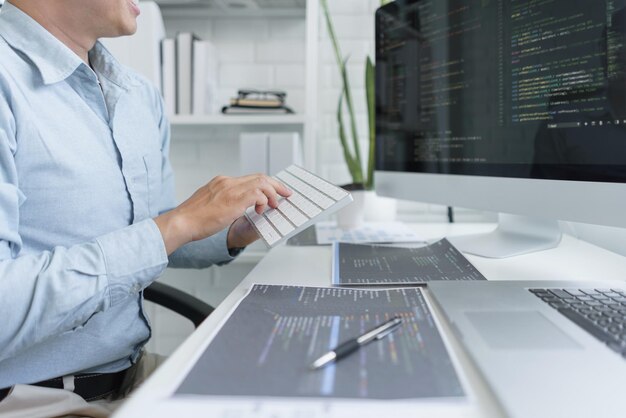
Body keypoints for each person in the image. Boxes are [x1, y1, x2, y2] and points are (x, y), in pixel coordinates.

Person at [0, 0, 290, 416]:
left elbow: (149, 233)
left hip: (132, 379)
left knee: (288, 390)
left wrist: (229, 229)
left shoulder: (136, 94)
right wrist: (178, 222)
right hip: (35, 400)